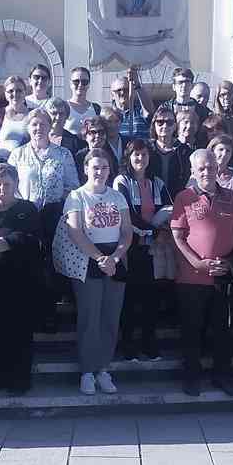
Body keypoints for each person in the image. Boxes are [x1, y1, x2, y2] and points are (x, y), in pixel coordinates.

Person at [60, 148, 133, 395]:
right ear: (86, 169)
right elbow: (75, 231)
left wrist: (115, 257)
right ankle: (87, 371)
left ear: (109, 170)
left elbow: (127, 231)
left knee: (110, 317)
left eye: (103, 167)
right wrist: (100, 258)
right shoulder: (76, 196)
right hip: (88, 259)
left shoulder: (117, 197)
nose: (99, 172)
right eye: (95, 167)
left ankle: (103, 369)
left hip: (115, 259)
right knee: (90, 317)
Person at [172, 149, 233, 397]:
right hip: (192, 277)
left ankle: (222, 376)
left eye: (210, 167)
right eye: (201, 168)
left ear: (218, 168)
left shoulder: (231, 197)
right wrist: (197, 263)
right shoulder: (184, 197)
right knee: (192, 329)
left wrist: (229, 261)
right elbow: (177, 236)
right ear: (193, 171)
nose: (206, 172)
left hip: (222, 276)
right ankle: (192, 377)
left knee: (222, 330)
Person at [0, 163, 43, 394]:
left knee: (20, 332)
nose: (2, 189)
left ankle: (21, 379)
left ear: (16, 184)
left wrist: (10, 242)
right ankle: (0, 376)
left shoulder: (27, 209)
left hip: (21, 281)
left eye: (7, 184)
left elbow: (35, 240)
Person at [9, 109, 79, 330]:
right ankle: (28, 314)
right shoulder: (17, 155)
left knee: (50, 264)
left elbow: (73, 186)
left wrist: (58, 207)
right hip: (25, 215)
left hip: (53, 215)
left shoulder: (63, 154)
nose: (38, 128)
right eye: (34, 124)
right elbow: (11, 187)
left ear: (50, 127)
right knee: (27, 264)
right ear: (28, 128)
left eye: (43, 124)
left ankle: (50, 314)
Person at [113, 139, 171, 361]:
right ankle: (128, 344)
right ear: (128, 157)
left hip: (153, 249)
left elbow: (168, 207)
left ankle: (149, 343)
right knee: (130, 298)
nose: (140, 158)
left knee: (151, 298)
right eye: (136, 154)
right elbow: (127, 214)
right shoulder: (121, 181)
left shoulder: (157, 182)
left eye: (144, 154)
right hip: (130, 246)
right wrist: (153, 231)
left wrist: (156, 232)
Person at [148, 107, 193, 198]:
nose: (165, 126)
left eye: (169, 122)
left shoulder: (184, 151)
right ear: (154, 125)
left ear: (175, 126)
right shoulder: (147, 149)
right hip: (152, 200)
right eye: (160, 122)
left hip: (179, 200)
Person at [203, 135, 233, 214]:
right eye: (221, 149)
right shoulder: (201, 175)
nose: (224, 154)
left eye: (228, 151)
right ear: (212, 151)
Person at [74, 116, 120, 186]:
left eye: (101, 132)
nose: (98, 135)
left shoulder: (111, 154)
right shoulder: (79, 156)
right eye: (93, 132)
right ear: (85, 136)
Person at [111, 68, 153, 142]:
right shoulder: (109, 116)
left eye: (126, 90)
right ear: (112, 95)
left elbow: (149, 112)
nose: (122, 93)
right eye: (118, 90)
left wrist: (137, 84)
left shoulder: (140, 111)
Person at [0, 76, 32, 158]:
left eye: (19, 91)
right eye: (11, 91)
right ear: (5, 94)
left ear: (25, 92)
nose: (15, 94)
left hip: (23, 161)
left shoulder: (32, 114)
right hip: (1, 161)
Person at [64, 67, 100, 135]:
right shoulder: (63, 107)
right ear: (70, 83)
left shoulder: (96, 109)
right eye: (76, 81)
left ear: (89, 84)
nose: (80, 85)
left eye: (84, 82)